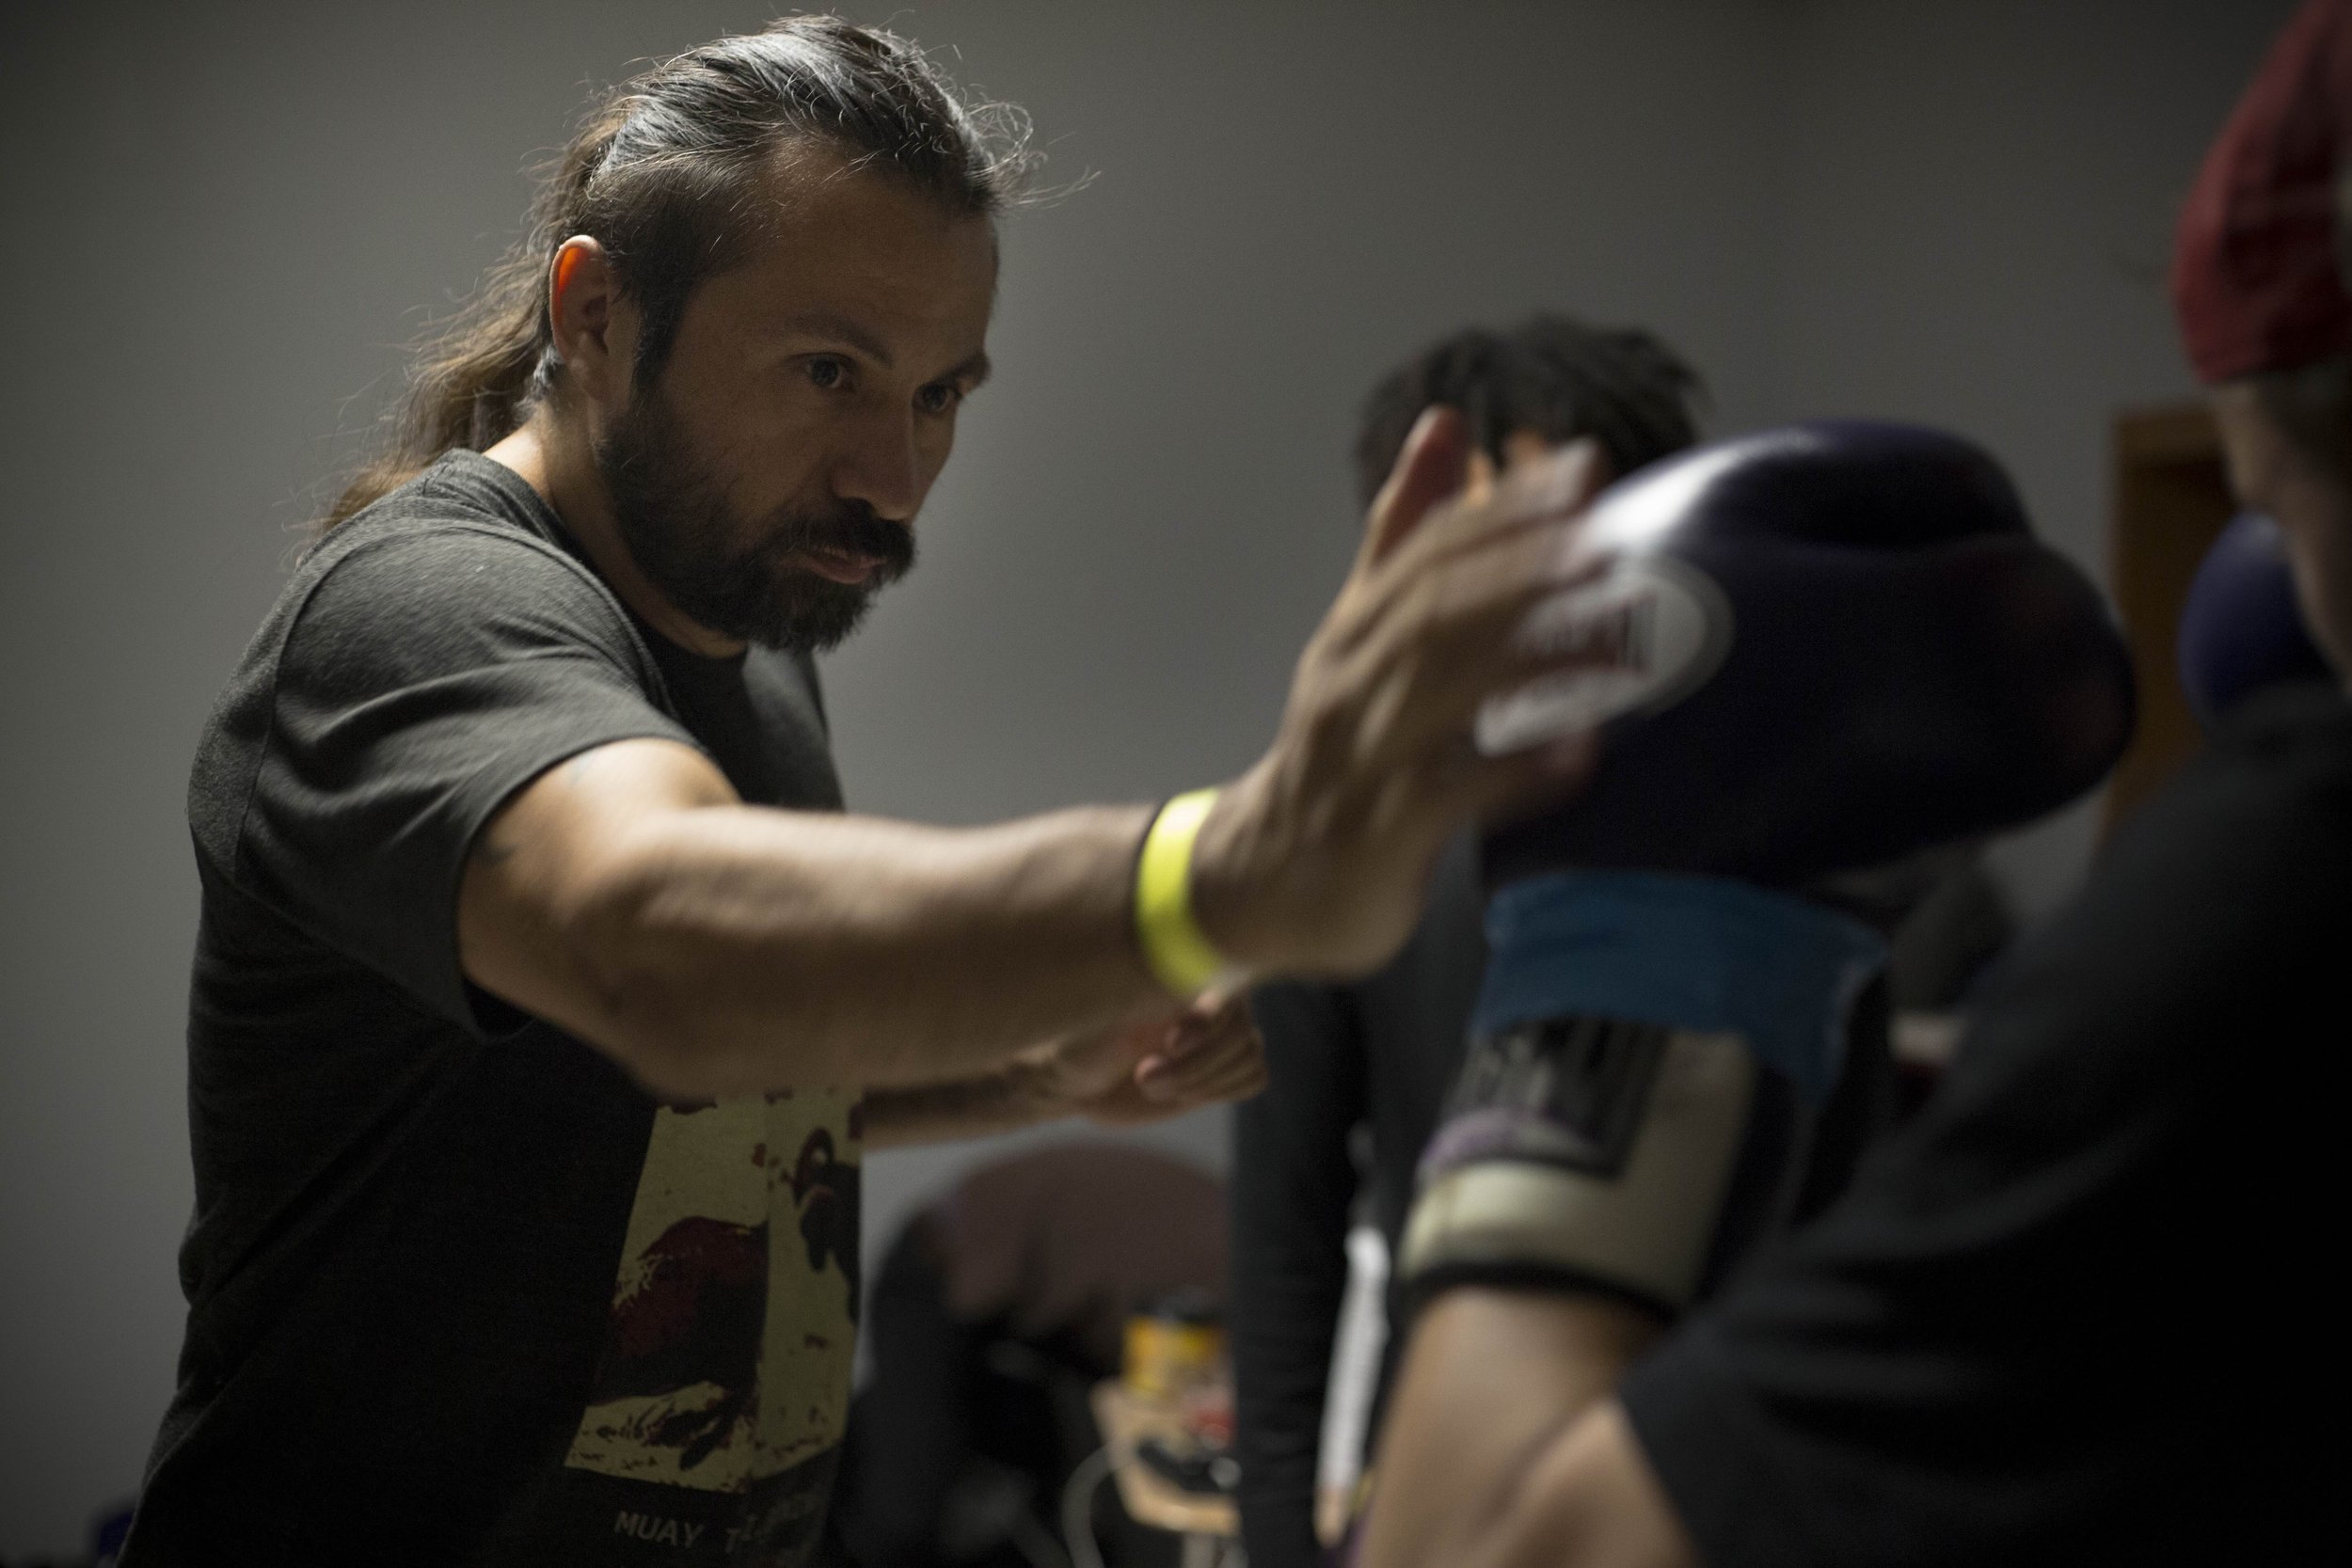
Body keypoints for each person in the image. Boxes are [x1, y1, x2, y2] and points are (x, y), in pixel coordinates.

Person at [123, 18, 1606, 1567]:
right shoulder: (424, 612)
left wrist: (1023, 1074)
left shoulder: (750, 644)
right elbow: (657, 949)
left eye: (940, 395)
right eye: (829, 370)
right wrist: (1217, 870)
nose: (892, 479)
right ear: (598, 313)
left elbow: (691, 1105)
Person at [1359, 4, 2352, 1564]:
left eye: (2280, 514)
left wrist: (1612, 954)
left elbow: (1492, 1544)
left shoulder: (2279, 898)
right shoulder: (1363, 895)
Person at [1228, 316, 1717, 1568]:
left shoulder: (1753, 824)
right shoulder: (1338, 846)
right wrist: (1281, 1539)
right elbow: (1285, 1243)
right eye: (1493, 545)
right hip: (1454, 1460)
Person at [838, 1145, 1228, 1568]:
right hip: (944, 1264)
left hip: (1034, 1282)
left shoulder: (1241, 1250)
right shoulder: (1227, 1280)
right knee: (906, 1497)